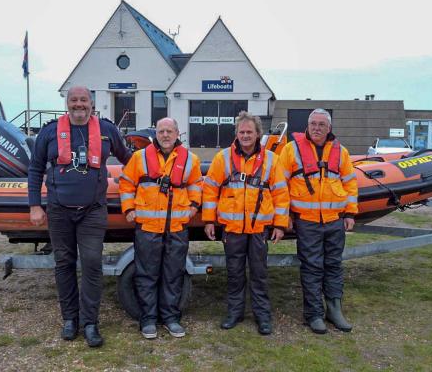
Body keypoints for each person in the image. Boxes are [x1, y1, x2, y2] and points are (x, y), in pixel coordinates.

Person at [28, 86, 131, 347]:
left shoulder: (107, 130)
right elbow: (35, 168)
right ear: (67, 103)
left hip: (93, 211)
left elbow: (128, 159)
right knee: (63, 263)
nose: (79, 104)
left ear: (91, 103)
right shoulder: (50, 131)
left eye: (83, 100)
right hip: (59, 210)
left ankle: (90, 323)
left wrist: (150, 177)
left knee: (92, 263)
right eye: (73, 100)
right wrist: (34, 205)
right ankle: (70, 319)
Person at [202, 111, 289, 335]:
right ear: (236, 134)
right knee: (234, 273)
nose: (246, 135)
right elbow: (210, 189)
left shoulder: (271, 159)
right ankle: (234, 313)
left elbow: (280, 193)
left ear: (258, 134)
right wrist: (209, 220)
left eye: (250, 132)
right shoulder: (223, 158)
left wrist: (280, 224)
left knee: (259, 274)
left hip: (259, 229)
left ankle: (263, 317)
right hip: (232, 230)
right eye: (242, 132)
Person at [119, 118, 202, 339]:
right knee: (146, 274)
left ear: (177, 133)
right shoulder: (140, 157)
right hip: (147, 227)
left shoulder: (189, 159)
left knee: (174, 274)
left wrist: (193, 207)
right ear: (156, 133)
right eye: (161, 131)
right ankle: (148, 320)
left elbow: (196, 184)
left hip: (177, 226)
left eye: (169, 131)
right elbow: (126, 183)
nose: (165, 135)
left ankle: (171, 318)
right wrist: (128, 209)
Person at [278, 108, 358, 334]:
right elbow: (280, 186)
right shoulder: (291, 150)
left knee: (334, 265)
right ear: (308, 125)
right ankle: (313, 314)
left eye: (322, 124)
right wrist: (286, 216)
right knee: (312, 267)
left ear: (329, 128)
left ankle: (334, 310)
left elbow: (350, 184)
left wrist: (350, 213)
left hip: (334, 220)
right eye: (313, 123)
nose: (317, 128)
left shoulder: (340, 152)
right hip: (307, 221)